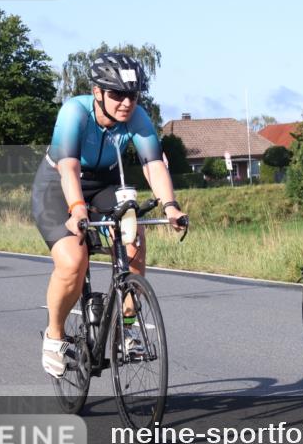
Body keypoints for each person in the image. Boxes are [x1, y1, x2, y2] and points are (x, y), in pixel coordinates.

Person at [31, 53, 187, 378]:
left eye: (133, 94)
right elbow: (69, 168)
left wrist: (170, 205)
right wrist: (77, 210)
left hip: (104, 183)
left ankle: (126, 329)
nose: (126, 103)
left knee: (133, 240)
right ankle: (54, 335)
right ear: (98, 92)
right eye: (117, 94)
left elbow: (153, 163)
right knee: (74, 262)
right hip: (58, 185)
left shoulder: (136, 116)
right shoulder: (74, 112)